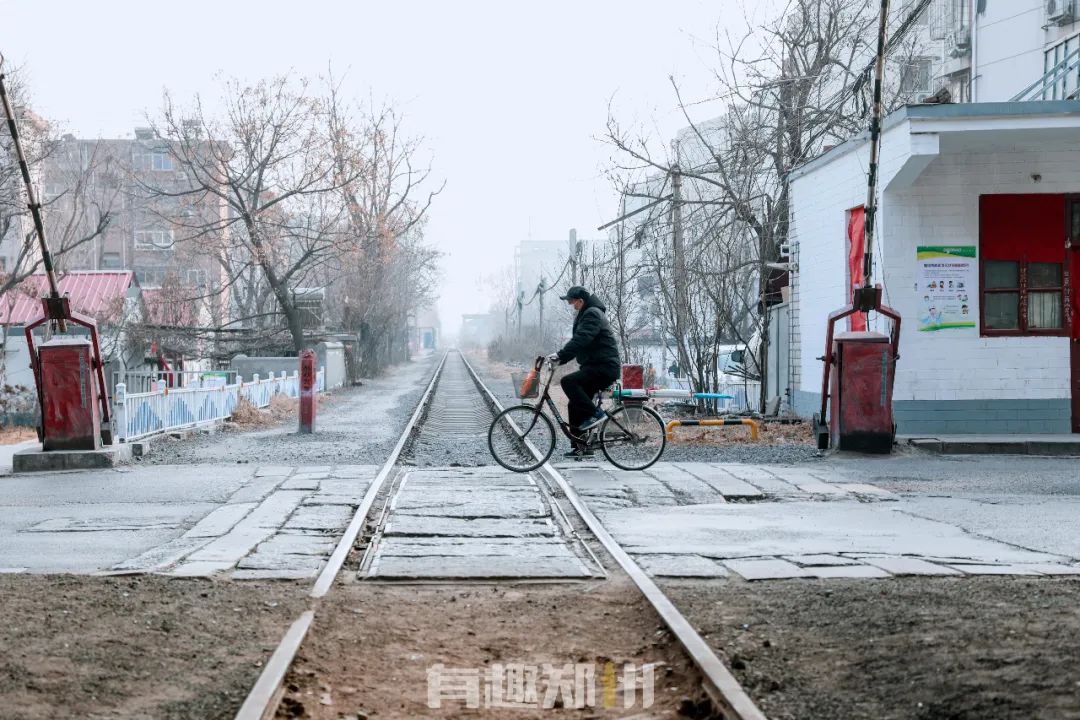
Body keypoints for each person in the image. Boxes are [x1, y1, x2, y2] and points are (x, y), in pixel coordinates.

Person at [546, 286, 620, 457]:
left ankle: (596, 414)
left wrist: (561, 355)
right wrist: (561, 358)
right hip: (596, 366)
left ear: (581, 301)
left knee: (568, 381)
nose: (572, 306)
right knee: (575, 403)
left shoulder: (592, 313)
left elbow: (581, 339)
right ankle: (581, 447)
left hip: (604, 368)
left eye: (572, 302)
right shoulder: (590, 312)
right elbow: (580, 342)